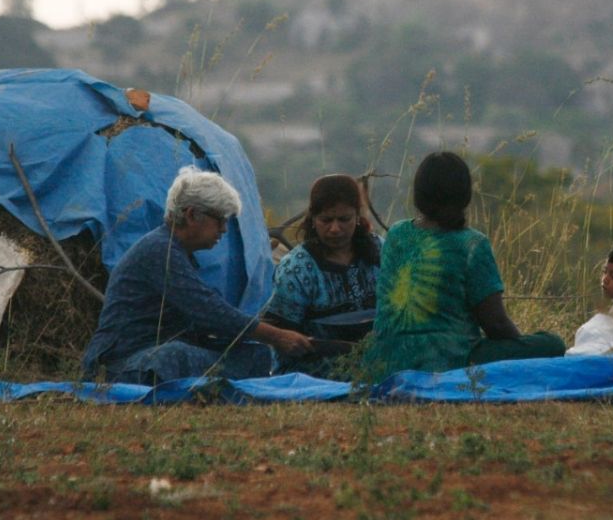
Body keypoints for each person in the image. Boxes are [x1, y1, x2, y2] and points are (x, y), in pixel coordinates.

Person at [81, 166, 312, 384]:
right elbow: (210, 311)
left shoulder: (177, 251)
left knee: (254, 353)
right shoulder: (159, 250)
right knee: (175, 355)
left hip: (157, 350)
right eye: (220, 220)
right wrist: (276, 336)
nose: (223, 229)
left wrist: (257, 335)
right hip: (124, 361)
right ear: (191, 215)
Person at [362, 151, 566, 377]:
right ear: (464, 194)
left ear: (418, 193)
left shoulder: (397, 234)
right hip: (450, 360)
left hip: (385, 361)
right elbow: (496, 324)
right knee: (552, 344)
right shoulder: (471, 244)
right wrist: (518, 349)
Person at [261, 174, 382, 376]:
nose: (335, 229)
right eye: (326, 220)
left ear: (358, 218)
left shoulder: (380, 251)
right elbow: (278, 331)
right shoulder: (296, 268)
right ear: (313, 220)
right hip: (314, 372)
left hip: (377, 362)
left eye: (344, 219)